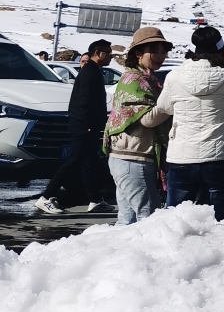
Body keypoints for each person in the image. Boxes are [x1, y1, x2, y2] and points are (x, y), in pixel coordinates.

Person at [143, 25, 224, 219]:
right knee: (222, 218)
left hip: (182, 156)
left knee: (176, 219)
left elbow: (165, 107)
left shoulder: (174, 76)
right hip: (222, 156)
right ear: (221, 50)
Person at [34, 38, 116, 215]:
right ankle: (46, 197)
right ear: (97, 53)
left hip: (88, 125)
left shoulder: (94, 71)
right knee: (73, 162)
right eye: (108, 53)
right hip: (84, 126)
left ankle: (95, 200)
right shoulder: (89, 73)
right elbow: (84, 102)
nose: (111, 56)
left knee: (89, 164)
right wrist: (88, 125)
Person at [103, 26, 173, 223]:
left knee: (128, 219)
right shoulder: (136, 80)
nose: (161, 56)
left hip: (127, 158)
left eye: (164, 51)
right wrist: (171, 103)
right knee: (147, 219)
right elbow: (147, 119)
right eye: (155, 51)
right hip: (134, 160)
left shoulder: (146, 78)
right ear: (139, 53)